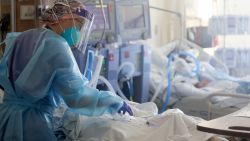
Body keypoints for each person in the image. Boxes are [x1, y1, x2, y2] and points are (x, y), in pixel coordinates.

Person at [0, 0, 132, 141]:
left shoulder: (21, 37)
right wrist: (114, 102)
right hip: (32, 126)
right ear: (62, 18)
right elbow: (78, 97)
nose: (79, 32)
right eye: (79, 25)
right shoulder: (57, 45)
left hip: (5, 118)